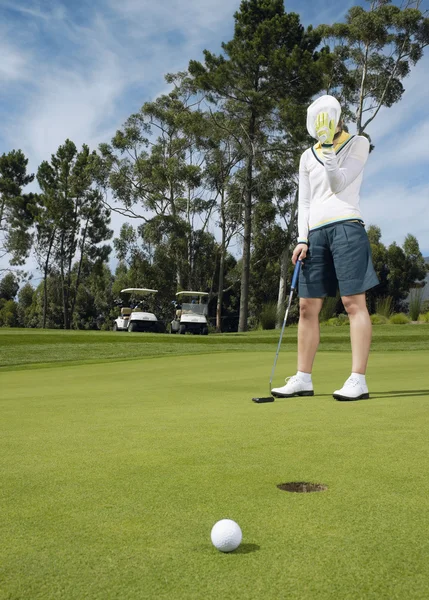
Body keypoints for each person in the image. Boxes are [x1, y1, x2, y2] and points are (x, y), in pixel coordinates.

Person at [271, 95, 379, 401]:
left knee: (352, 303)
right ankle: (303, 378)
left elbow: (337, 183)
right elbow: (304, 201)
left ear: (338, 119)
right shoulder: (307, 156)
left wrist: (330, 149)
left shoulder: (358, 143)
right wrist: (301, 237)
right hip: (314, 235)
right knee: (307, 307)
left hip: (347, 227)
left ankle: (358, 379)